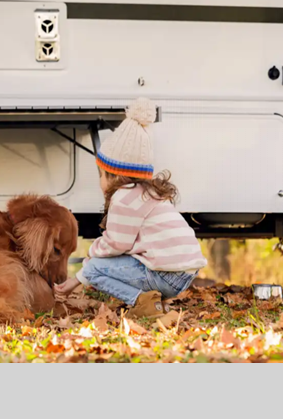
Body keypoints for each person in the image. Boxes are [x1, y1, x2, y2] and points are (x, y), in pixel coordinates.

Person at [53, 98, 207, 318]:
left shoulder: (124, 197)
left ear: (113, 175)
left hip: (166, 275)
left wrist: (90, 256)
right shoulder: (148, 193)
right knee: (95, 266)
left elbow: (116, 244)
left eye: (101, 174)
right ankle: (154, 302)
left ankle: (144, 303)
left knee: (95, 268)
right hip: (184, 273)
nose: (100, 181)